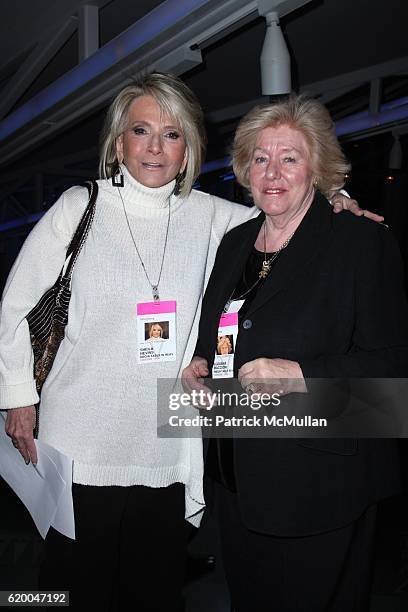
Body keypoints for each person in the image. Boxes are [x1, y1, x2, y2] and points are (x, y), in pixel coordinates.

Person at [0, 71, 373, 611]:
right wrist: (18, 398)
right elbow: (13, 308)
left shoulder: (214, 216)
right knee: (73, 588)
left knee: (153, 592)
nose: (155, 147)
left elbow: (287, 206)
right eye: (141, 131)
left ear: (189, 147)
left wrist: (338, 196)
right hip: (81, 441)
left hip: (169, 441)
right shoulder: (78, 208)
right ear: (118, 141)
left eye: (172, 134)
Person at [183, 95, 408, 611]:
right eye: (260, 158)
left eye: (290, 157)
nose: (273, 172)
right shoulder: (235, 243)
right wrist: (200, 364)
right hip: (236, 480)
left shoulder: (358, 242)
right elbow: (225, 327)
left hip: (319, 490)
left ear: (318, 167)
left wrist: (303, 375)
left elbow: (395, 366)